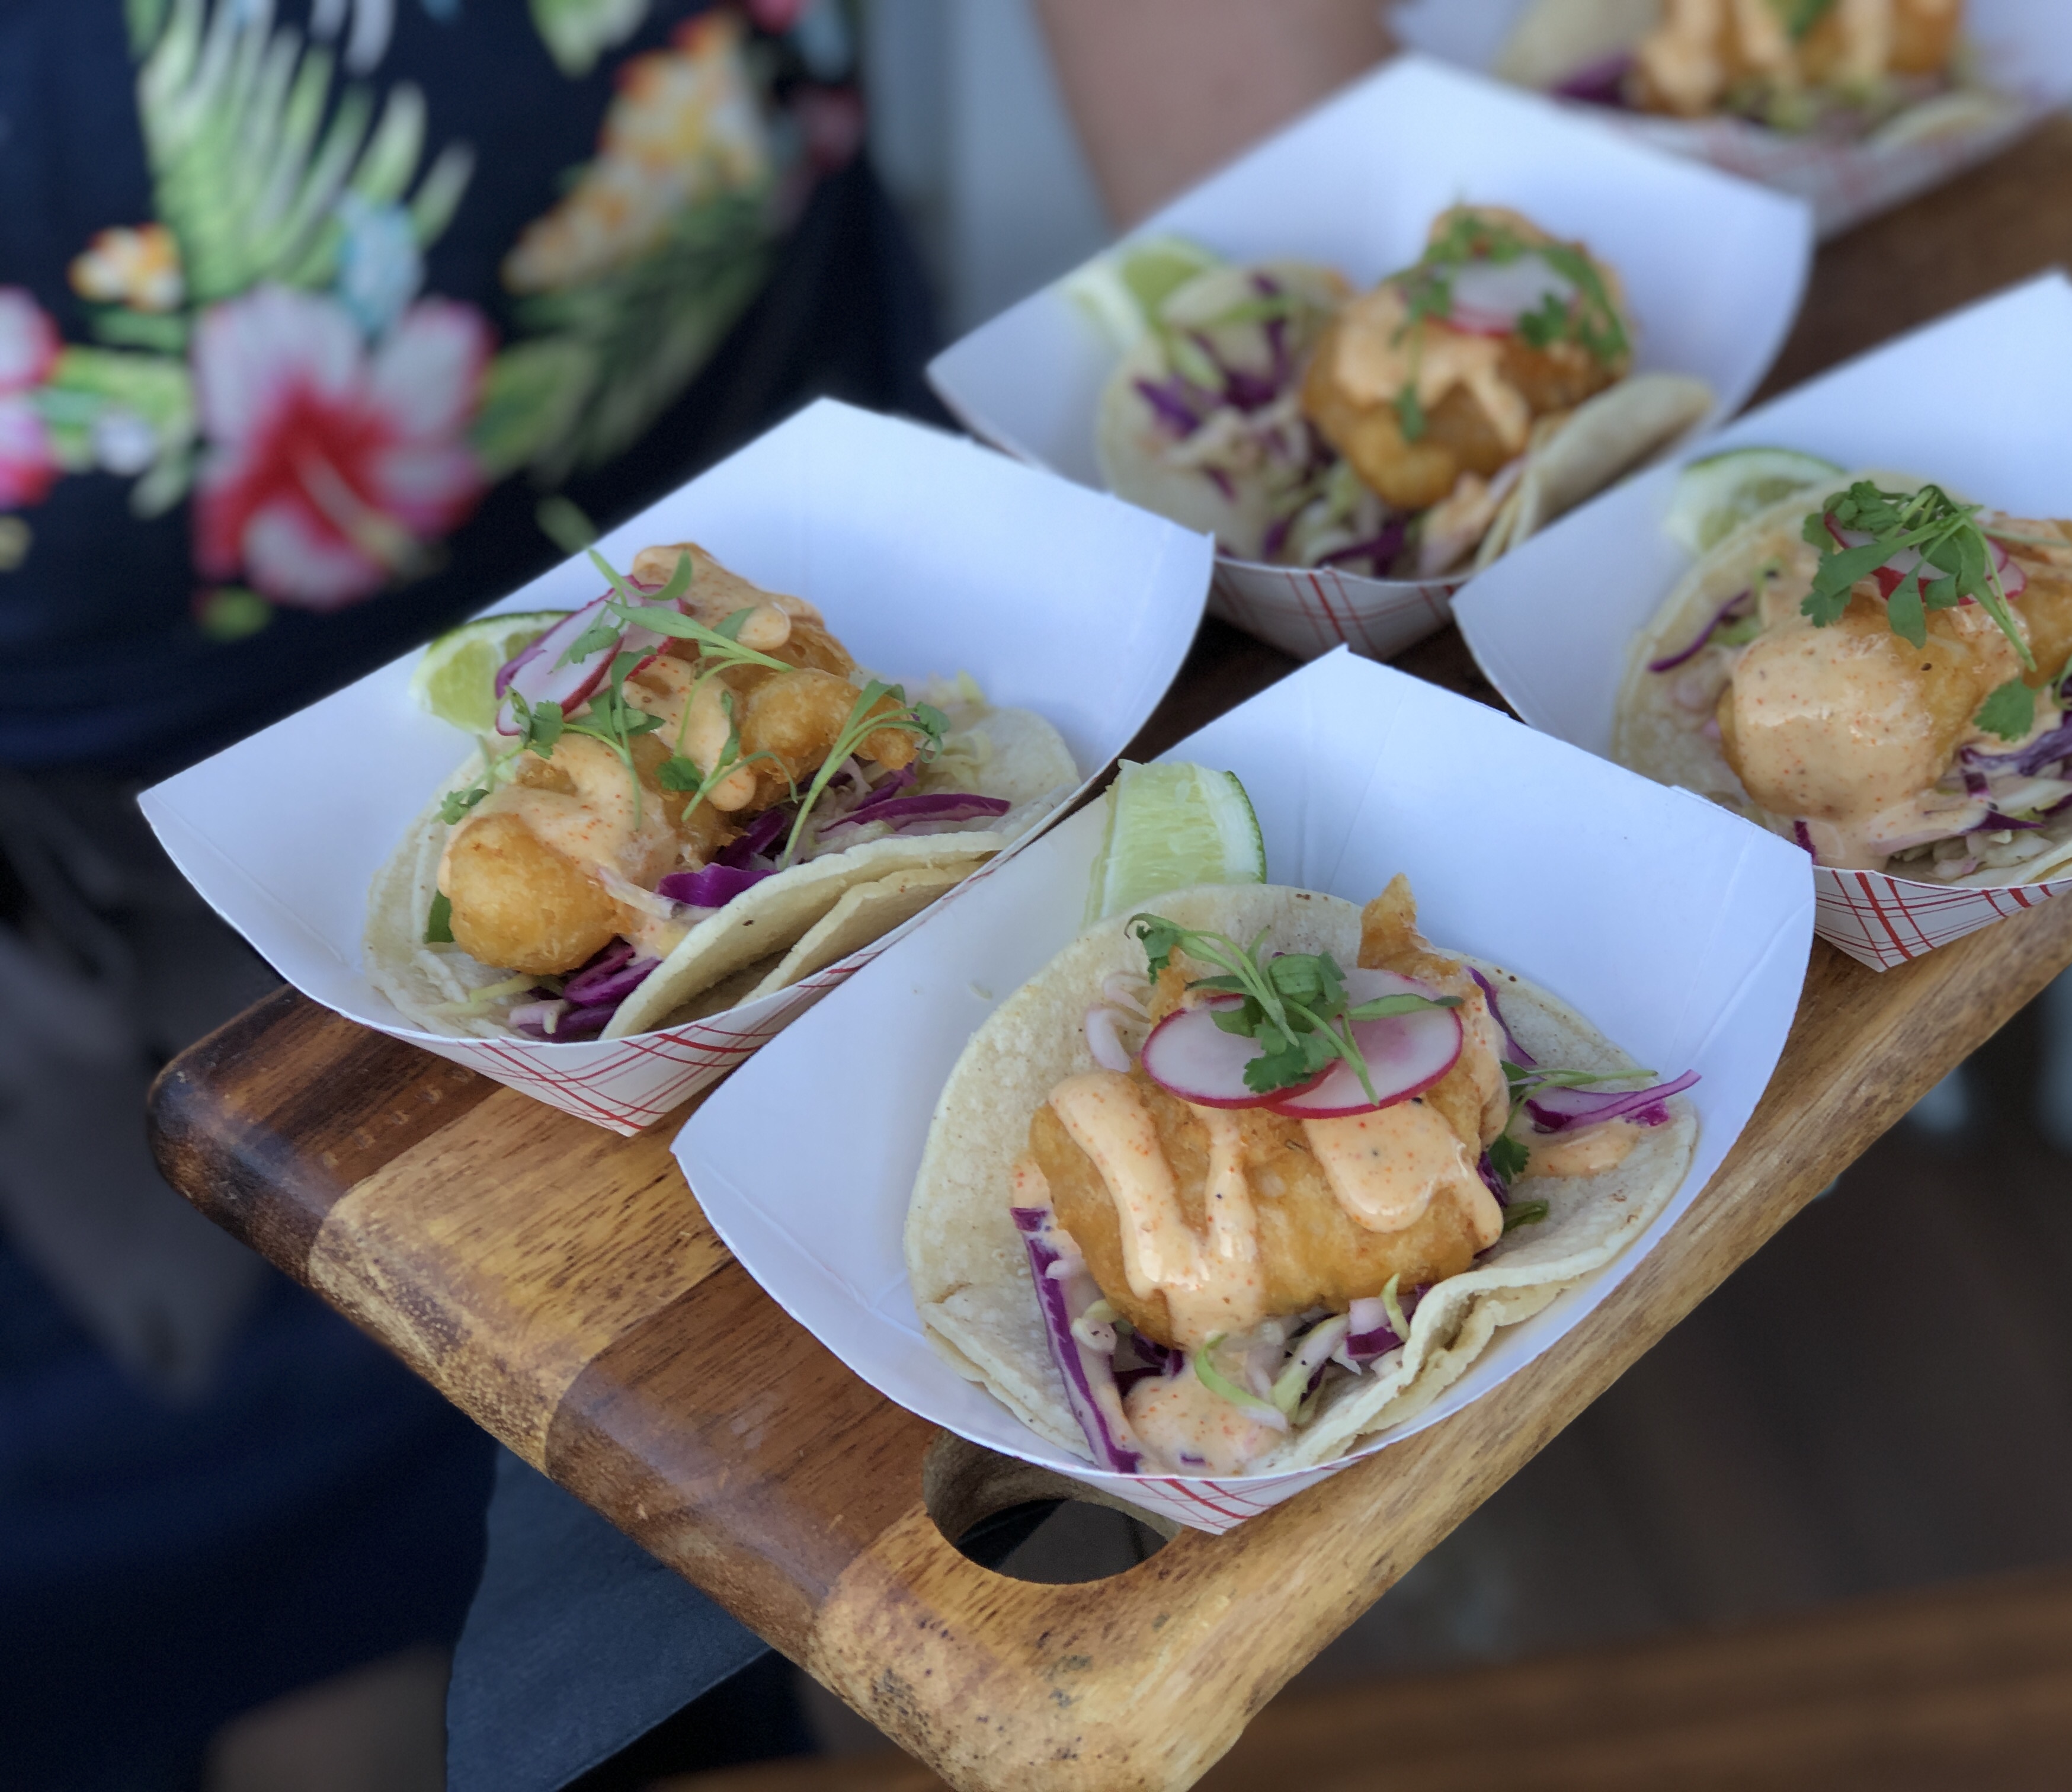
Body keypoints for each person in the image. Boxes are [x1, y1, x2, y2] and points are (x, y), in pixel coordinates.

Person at [0, 2, 1390, 1787]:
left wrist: (1356, 420)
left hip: (808, 507)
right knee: (204, 1561)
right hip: (64, 847)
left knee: (708, 1532)